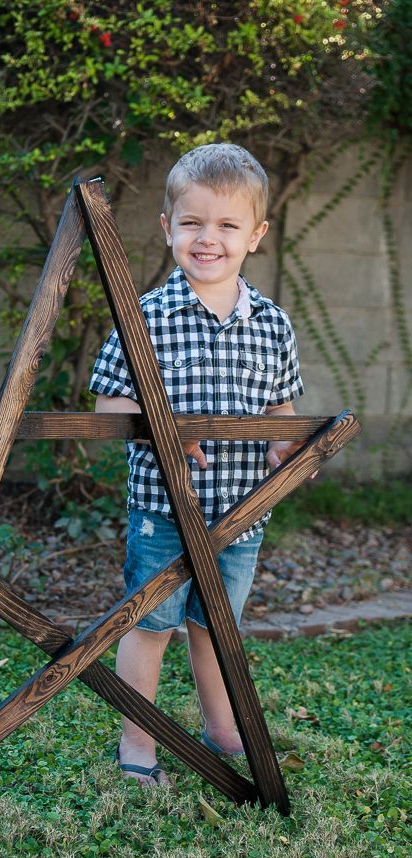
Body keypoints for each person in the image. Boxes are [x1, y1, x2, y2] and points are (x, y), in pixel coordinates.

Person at [88, 143, 304, 786]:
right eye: (192, 223)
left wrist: (286, 445)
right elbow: (108, 404)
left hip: (240, 514)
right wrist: (162, 429)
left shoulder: (272, 324)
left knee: (217, 626)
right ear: (168, 229)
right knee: (150, 624)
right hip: (163, 509)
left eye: (228, 225)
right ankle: (139, 745)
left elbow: (281, 411)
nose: (208, 239)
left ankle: (223, 731)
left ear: (256, 236)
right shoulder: (144, 317)